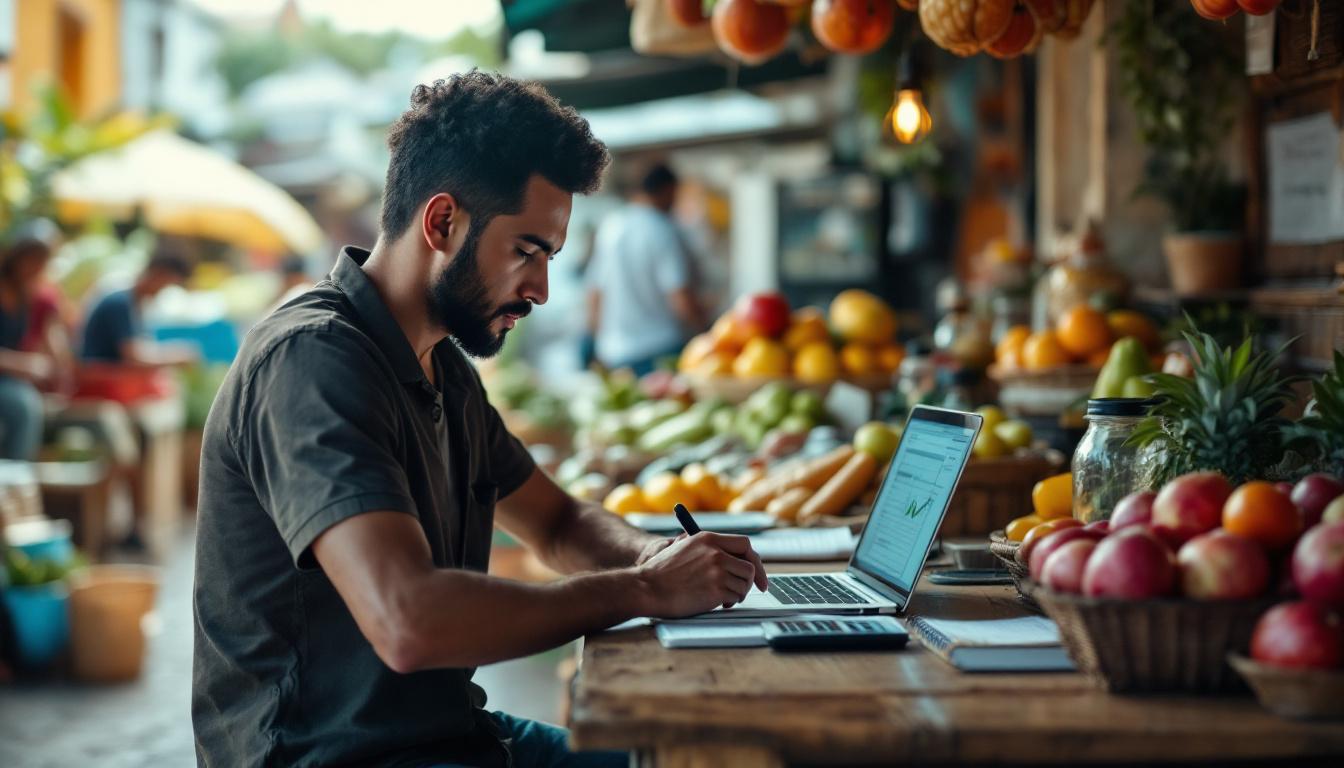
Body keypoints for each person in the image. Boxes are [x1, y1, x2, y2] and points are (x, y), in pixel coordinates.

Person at [192, 72, 767, 768]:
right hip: (335, 759)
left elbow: (558, 523)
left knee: (691, 759)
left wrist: (655, 557)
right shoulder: (312, 361)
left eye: (549, 257)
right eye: (526, 251)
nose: (542, 289)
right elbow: (408, 621)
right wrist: (644, 590)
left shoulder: (442, 365)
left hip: (450, 738)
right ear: (442, 223)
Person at [586, 163, 706, 376]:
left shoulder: (612, 225)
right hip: (660, 351)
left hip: (615, 354)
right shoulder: (662, 229)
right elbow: (680, 298)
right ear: (668, 190)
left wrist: (593, 342)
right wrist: (705, 336)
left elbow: (595, 293)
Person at [0, 223, 67, 459]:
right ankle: (15, 480)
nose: (37, 267)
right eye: (33, 258)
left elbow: (52, 339)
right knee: (24, 406)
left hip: (10, 380)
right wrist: (22, 364)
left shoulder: (28, 296)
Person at [79, 251, 197, 366]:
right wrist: (174, 357)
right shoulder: (120, 303)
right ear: (158, 274)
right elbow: (133, 357)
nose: (162, 291)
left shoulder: (136, 304)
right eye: (165, 285)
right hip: (100, 375)